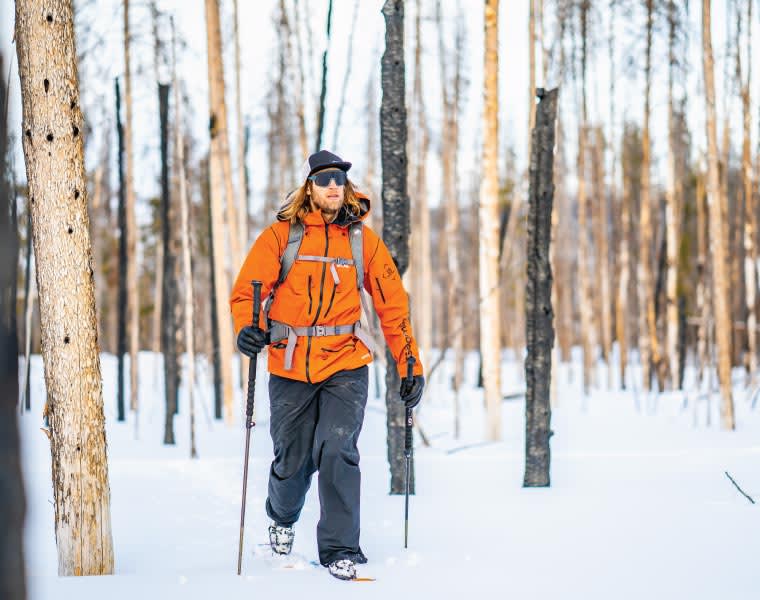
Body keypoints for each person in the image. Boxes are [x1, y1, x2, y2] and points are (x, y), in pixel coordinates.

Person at [229, 150, 425, 581]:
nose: (334, 185)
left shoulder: (362, 242)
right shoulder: (281, 237)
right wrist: (248, 327)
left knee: (338, 449)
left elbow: (394, 306)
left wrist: (409, 363)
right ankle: (281, 518)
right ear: (309, 188)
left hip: (346, 360)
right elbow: (246, 293)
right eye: (324, 179)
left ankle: (341, 549)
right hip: (290, 361)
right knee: (292, 460)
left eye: (340, 179)